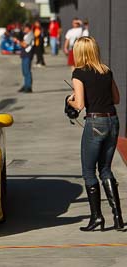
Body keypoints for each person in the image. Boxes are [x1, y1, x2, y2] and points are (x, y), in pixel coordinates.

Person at [67, 36, 124, 232]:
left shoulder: (79, 73)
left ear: (79, 52)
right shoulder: (106, 70)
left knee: (89, 171)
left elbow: (80, 104)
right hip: (112, 120)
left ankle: (97, 217)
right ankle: (118, 218)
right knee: (106, 169)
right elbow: (116, 98)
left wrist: (69, 100)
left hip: (95, 122)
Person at [13, 22, 34, 93]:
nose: (23, 29)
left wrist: (18, 41)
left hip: (27, 55)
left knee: (27, 71)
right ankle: (25, 85)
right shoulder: (26, 34)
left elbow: (25, 45)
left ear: (28, 28)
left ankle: (28, 87)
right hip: (24, 55)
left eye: (25, 28)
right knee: (24, 71)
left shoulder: (30, 35)